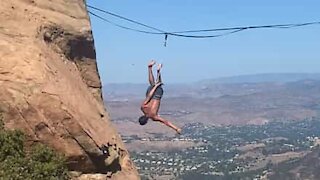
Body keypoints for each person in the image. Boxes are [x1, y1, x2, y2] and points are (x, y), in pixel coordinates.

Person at [139, 60, 181, 134]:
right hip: (151, 93)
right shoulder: (143, 108)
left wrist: (176, 128)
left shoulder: (154, 117)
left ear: (146, 122)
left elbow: (166, 122)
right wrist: (154, 87)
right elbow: (149, 97)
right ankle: (150, 68)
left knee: (157, 84)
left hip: (157, 96)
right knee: (152, 84)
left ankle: (158, 71)